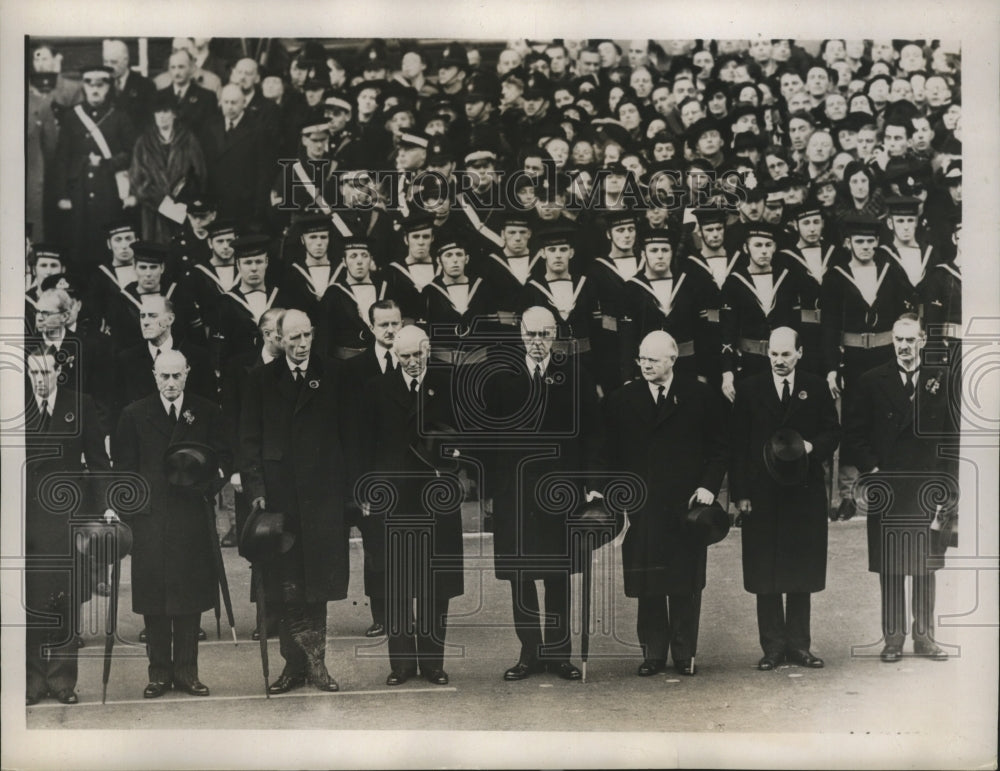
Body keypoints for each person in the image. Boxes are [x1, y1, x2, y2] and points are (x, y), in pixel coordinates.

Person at [484, 306, 602, 681]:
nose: (538, 343)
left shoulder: (574, 374)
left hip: (561, 493)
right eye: (532, 335)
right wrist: (489, 490)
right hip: (514, 493)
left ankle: (557, 653)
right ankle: (529, 652)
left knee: (557, 575)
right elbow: (486, 438)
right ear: (520, 333)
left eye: (546, 335)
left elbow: (591, 436)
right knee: (520, 576)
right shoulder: (500, 376)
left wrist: (592, 487)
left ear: (556, 335)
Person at [602, 330, 728, 676]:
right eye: (642, 358)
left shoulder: (699, 395)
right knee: (650, 582)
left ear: (672, 360)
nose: (645, 365)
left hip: (687, 507)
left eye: (653, 359)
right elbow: (610, 454)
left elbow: (719, 447)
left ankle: (685, 653)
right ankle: (653, 654)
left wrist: (708, 486)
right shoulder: (622, 399)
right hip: (643, 506)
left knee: (685, 582)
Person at [239, 309, 351, 694]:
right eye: (293, 338)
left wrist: (346, 493)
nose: (302, 345)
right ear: (278, 339)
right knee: (286, 584)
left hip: (322, 498)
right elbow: (249, 440)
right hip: (279, 499)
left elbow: (347, 436)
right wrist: (256, 490)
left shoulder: (334, 374)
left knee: (316, 583)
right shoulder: (260, 380)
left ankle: (317, 665)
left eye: (307, 336)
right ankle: (293, 665)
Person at [114, 350, 232, 698]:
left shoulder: (207, 411)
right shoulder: (134, 414)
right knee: (154, 600)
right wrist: (131, 516)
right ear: (154, 375)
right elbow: (124, 472)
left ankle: (187, 673)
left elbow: (224, 457)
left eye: (176, 376)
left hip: (191, 517)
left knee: (189, 598)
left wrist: (204, 489)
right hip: (150, 520)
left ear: (187, 374)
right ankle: (159, 675)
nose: (170, 383)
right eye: (164, 376)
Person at [845, 314, 958, 663]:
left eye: (910, 340)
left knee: (925, 564)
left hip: (927, 486)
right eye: (898, 340)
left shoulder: (942, 379)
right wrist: (874, 471)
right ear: (892, 341)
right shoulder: (870, 380)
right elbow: (855, 435)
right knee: (892, 564)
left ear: (923, 340)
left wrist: (948, 487)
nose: (904, 347)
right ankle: (893, 638)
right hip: (889, 487)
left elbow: (952, 439)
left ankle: (925, 637)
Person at [356, 325, 464, 685]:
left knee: (435, 584)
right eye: (405, 357)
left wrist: (453, 461)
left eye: (419, 354)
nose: (414, 362)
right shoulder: (375, 390)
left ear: (428, 350)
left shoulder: (449, 385)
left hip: (436, 498)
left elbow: (468, 435)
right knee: (398, 583)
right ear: (394, 355)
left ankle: (433, 663)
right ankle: (401, 664)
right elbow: (364, 447)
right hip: (395, 501)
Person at [731, 327, 841, 670]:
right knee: (765, 569)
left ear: (800, 353)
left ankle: (799, 646)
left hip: (803, 491)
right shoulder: (749, 390)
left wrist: (812, 447)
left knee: (800, 568)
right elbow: (737, 446)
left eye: (786, 354)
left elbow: (832, 432)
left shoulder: (816, 386)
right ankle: (773, 648)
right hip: (761, 493)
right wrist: (741, 494)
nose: (779, 361)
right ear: (767, 354)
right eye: (774, 354)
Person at [24, 349, 111, 705]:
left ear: (59, 372)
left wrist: (106, 505)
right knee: (28, 600)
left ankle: (62, 680)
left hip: (64, 515)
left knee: (64, 598)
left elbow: (98, 460)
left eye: (46, 372)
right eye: (33, 373)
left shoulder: (81, 404)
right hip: (25, 516)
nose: (40, 380)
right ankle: (30, 680)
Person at [52, 64, 136, 273]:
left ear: (108, 87)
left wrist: (108, 163)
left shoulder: (120, 116)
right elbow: (62, 157)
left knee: (105, 244)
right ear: (84, 87)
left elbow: (131, 153)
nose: (95, 89)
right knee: (79, 244)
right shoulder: (72, 116)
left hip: (109, 190)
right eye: (90, 85)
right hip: (78, 190)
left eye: (101, 85)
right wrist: (63, 194)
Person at [128, 90, 207, 243]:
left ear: (174, 114)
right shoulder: (144, 142)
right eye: (158, 112)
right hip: (152, 211)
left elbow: (199, 175)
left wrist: (182, 202)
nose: (162, 116)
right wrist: (161, 202)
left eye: (165, 111)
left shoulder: (188, 140)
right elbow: (137, 177)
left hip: (181, 210)